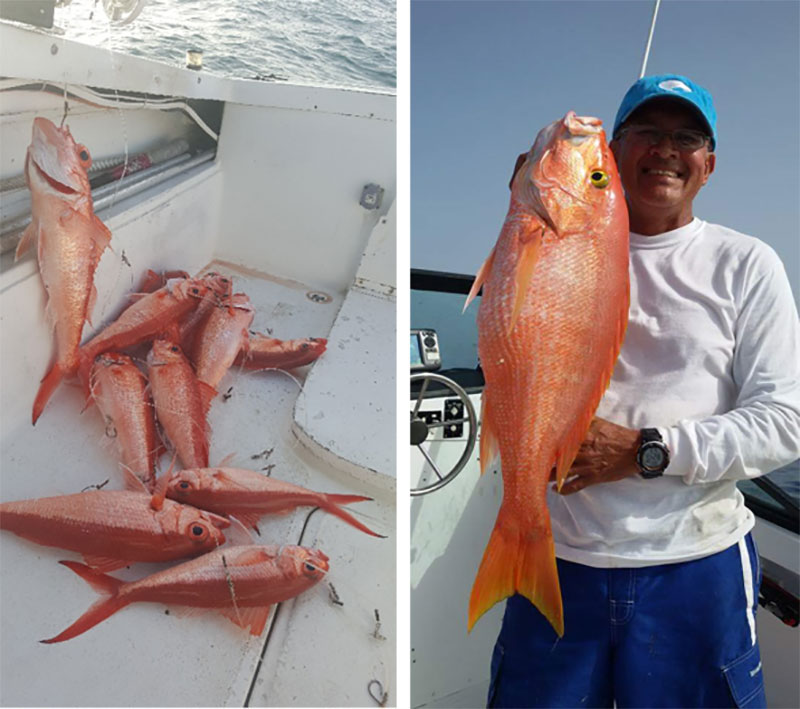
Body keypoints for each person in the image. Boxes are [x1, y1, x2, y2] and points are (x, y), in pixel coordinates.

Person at [488, 74, 800, 708]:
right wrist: (522, 211)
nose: (666, 150)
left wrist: (645, 450)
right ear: (615, 152)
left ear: (709, 165)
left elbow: (785, 420)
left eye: (686, 137)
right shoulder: (552, 235)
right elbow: (508, 335)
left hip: (695, 565)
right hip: (560, 555)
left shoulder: (747, 263)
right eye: (648, 134)